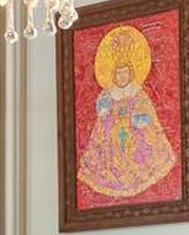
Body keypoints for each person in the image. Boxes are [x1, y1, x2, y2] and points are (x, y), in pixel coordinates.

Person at [73, 22, 177, 202]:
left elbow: (147, 114)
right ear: (113, 75)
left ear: (131, 73)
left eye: (125, 73)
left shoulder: (138, 93)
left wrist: (139, 120)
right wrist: (105, 113)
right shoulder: (107, 94)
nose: (122, 77)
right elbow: (102, 115)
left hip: (135, 135)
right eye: (119, 74)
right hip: (112, 137)